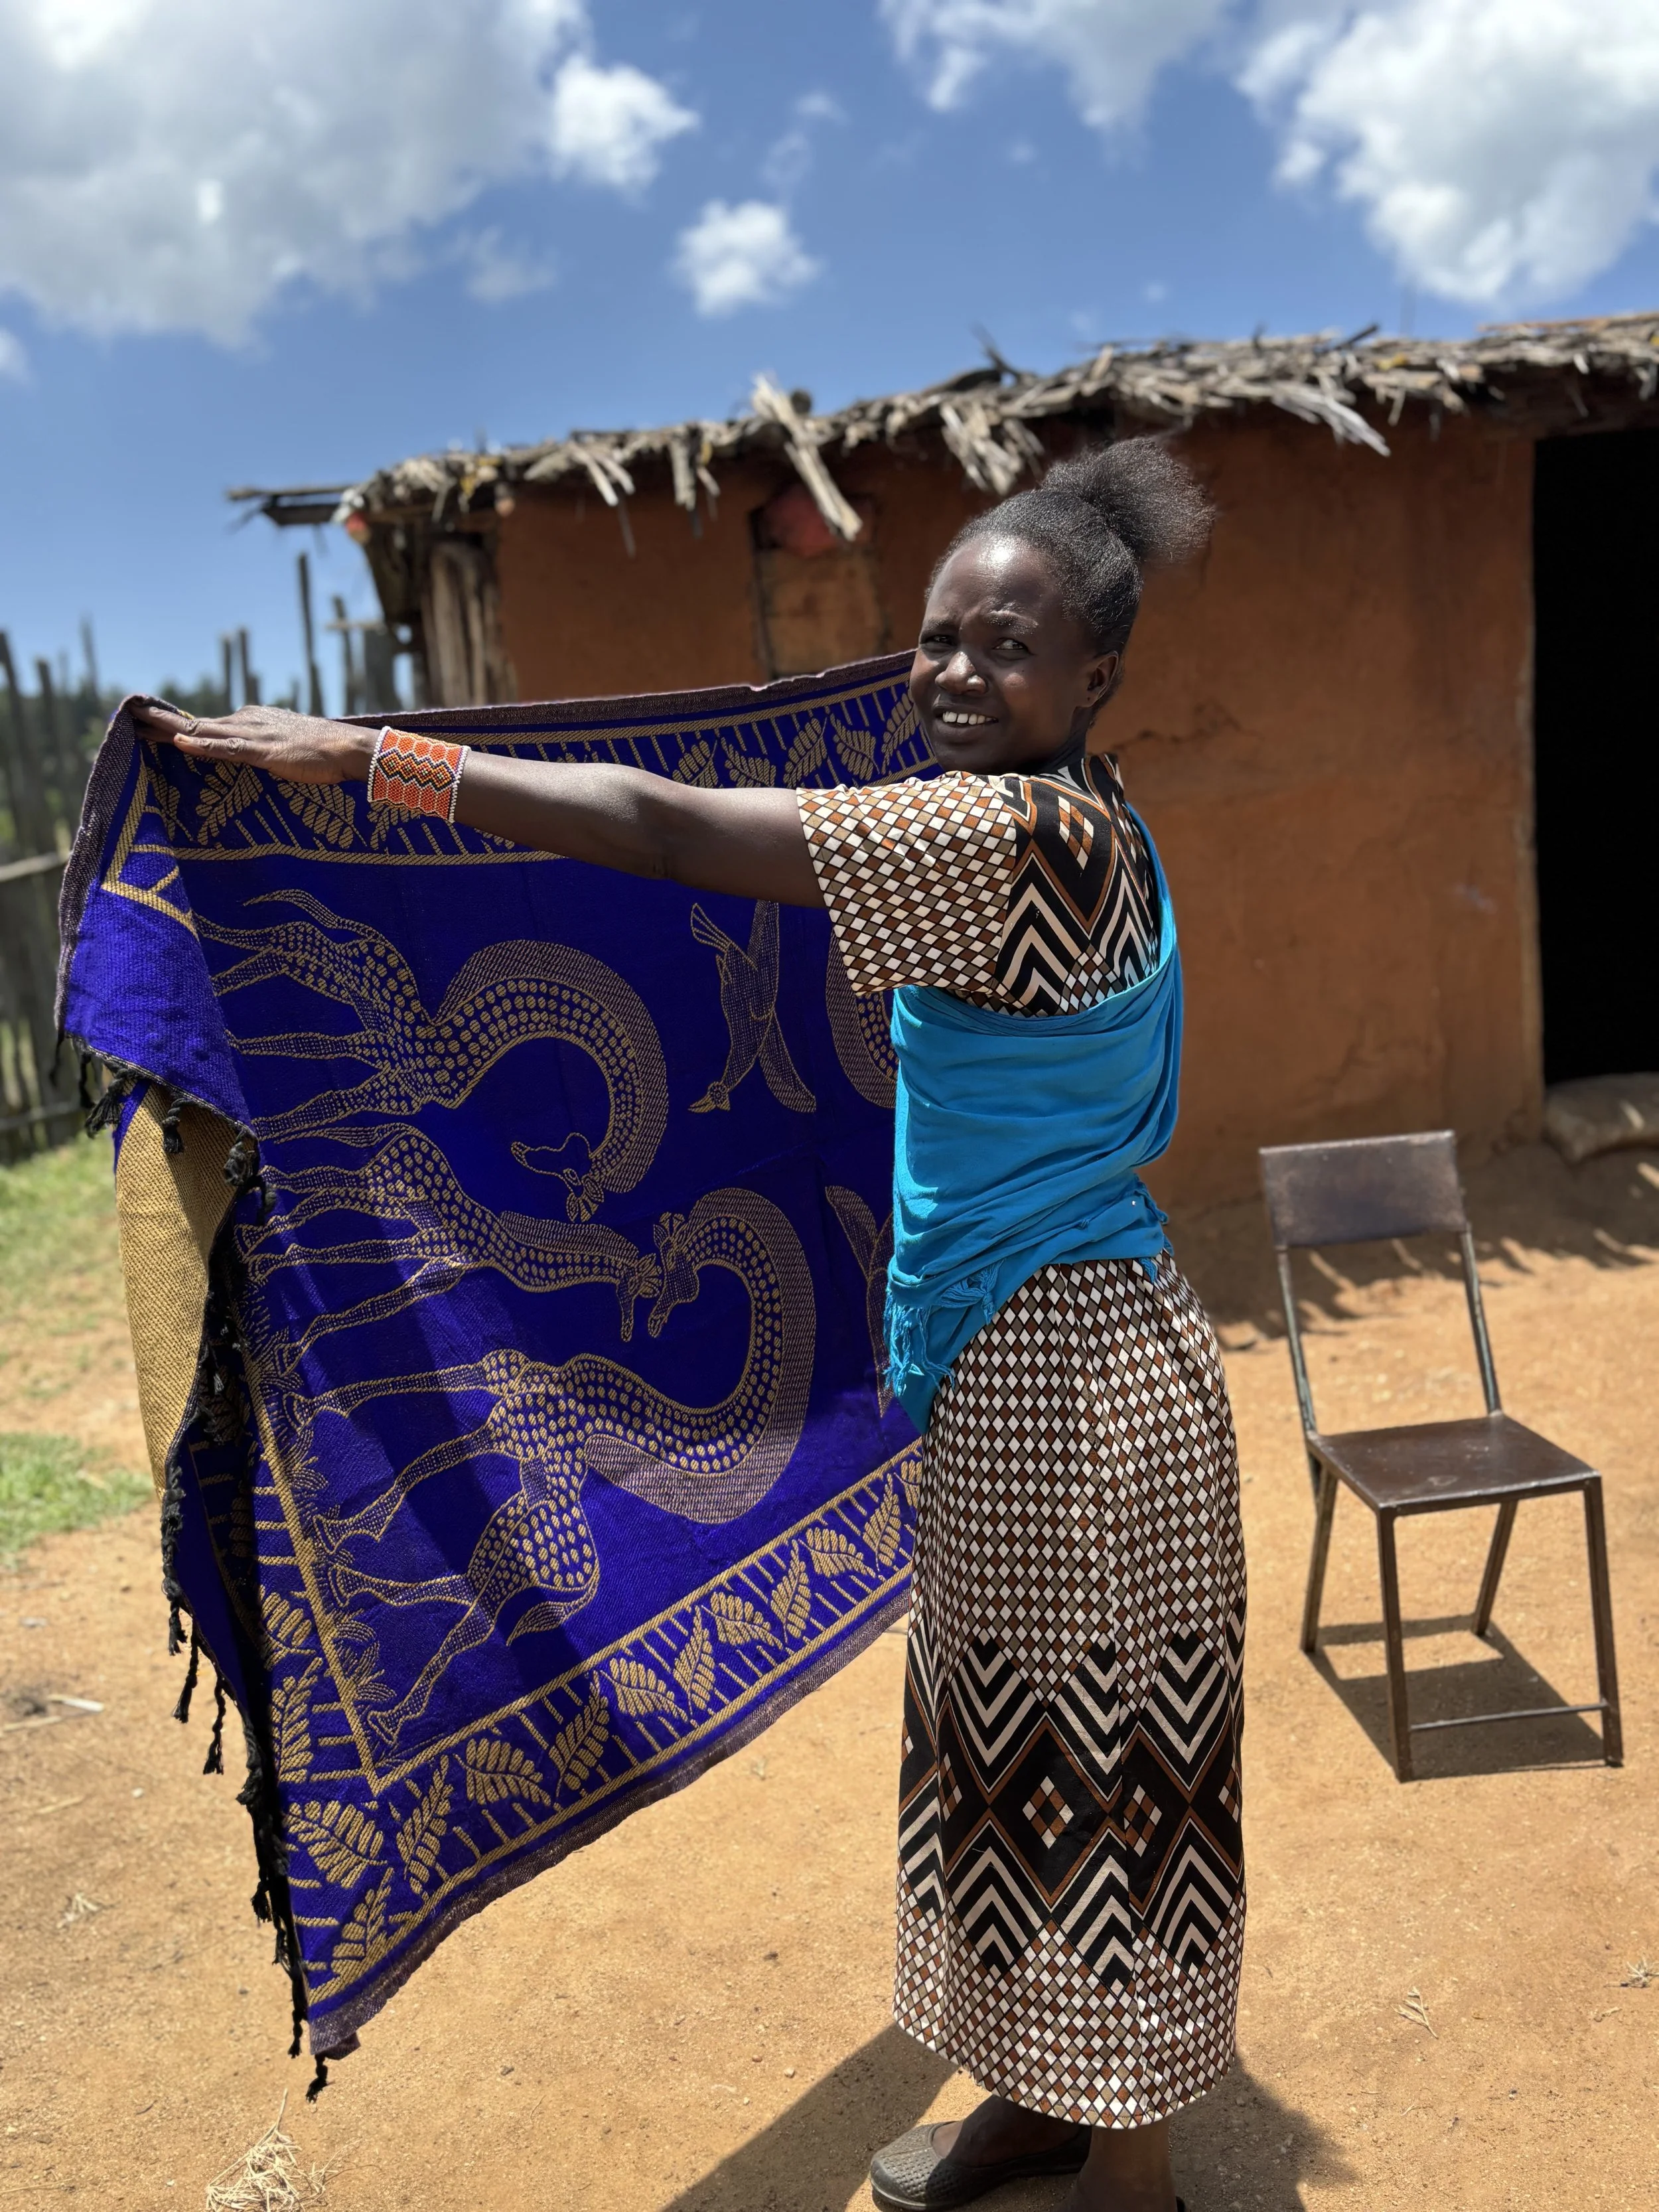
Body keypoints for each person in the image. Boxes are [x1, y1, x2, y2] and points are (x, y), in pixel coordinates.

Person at [137, 436, 1242, 2212]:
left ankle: (1132, 2170)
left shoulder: (1000, 835)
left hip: (1073, 1386)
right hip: (1040, 1354)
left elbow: (665, 828)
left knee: (1098, 1756)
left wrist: (378, 759)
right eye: (939, 634)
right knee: (999, 1741)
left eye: (1007, 645)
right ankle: (1039, 2094)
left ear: (1095, 671)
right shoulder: (1094, 815)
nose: (955, 672)